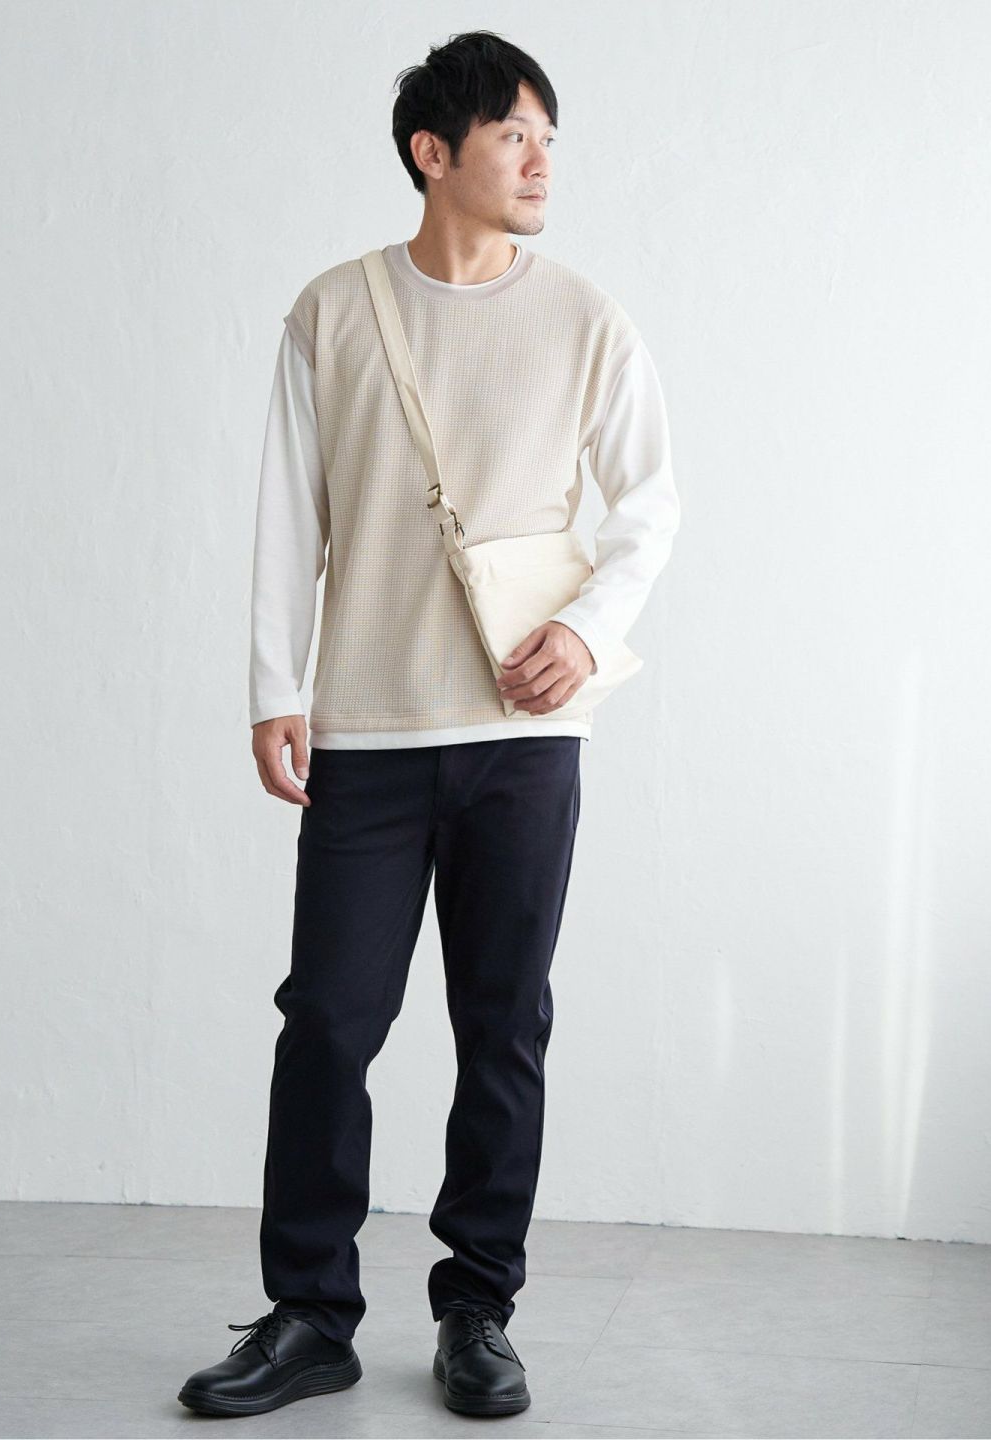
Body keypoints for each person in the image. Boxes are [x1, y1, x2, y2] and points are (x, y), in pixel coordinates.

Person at [178, 28, 680, 1421]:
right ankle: (308, 1314)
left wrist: (587, 630)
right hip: (368, 733)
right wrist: (276, 689)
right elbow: (291, 513)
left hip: (526, 739)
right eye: (516, 134)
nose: (541, 161)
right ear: (433, 152)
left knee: (504, 1027)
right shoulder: (332, 312)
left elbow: (650, 504)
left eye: (549, 139)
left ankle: (478, 1312)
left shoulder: (586, 320)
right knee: (327, 1023)